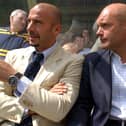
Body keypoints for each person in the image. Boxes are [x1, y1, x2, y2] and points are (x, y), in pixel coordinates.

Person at [0, 3, 83, 126]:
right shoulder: (13, 55)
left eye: (38, 22)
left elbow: (58, 109)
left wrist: (16, 78)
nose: (29, 28)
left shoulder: (73, 62)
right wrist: (29, 109)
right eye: (29, 21)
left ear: (56, 29)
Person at [66, 3, 126, 126]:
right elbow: (82, 105)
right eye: (98, 26)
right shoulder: (92, 61)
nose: (98, 32)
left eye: (105, 26)